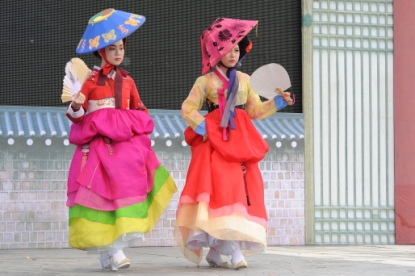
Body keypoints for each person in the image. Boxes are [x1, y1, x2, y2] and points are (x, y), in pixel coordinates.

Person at [174, 18, 293, 270]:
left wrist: (278, 102)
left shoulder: (245, 80)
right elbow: (188, 108)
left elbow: (254, 111)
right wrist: (206, 128)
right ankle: (233, 251)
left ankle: (219, 251)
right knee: (221, 191)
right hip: (215, 142)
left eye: (237, 48)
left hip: (240, 139)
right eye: (227, 48)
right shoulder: (205, 81)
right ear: (216, 52)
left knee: (242, 191)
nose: (232, 53)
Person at [65, 9, 177, 271]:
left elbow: (140, 109)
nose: (118, 52)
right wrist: (78, 106)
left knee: (125, 190)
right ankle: (112, 251)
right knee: (102, 195)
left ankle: (112, 250)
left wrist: (133, 122)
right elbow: (75, 117)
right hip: (98, 149)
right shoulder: (89, 81)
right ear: (101, 51)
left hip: (125, 148)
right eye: (112, 48)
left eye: (121, 47)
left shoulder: (128, 80)